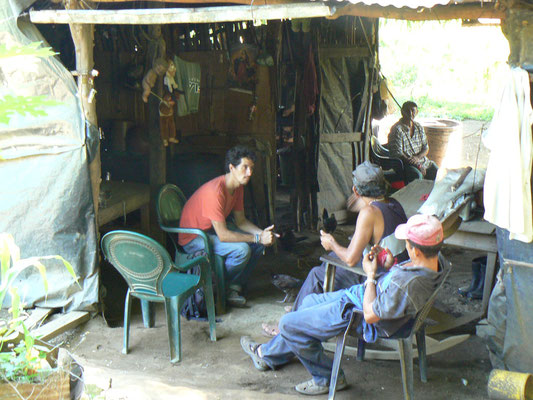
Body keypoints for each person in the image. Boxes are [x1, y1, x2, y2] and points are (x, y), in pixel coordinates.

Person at [242, 214, 448, 396]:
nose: (405, 246)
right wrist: (387, 265)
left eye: (407, 244)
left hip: (356, 313)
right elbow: (395, 292)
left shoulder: (408, 284)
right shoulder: (433, 262)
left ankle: (326, 377)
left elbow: (370, 316)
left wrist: (370, 275)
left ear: (417, 251)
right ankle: (270, 354)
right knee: (307, 303)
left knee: (288, 323)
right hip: (360, 298)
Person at [262, 161, 407, 337]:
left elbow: (351, 259)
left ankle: (290, 325)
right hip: (394, 273)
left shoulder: (369, 213)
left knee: (317, 273)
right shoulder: (394, 203)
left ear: (356, 191)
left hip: (377, 278)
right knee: (331, 257)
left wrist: (332, 243)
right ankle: (302, 307)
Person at [178, 145, 278, 307]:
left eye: (251, 168)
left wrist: (263, 234)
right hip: (193, 237)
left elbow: (241, 221)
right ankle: (218, 288)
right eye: (245, 167)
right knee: (242, 250)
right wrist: (258, 237)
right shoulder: (215, 191)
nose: (249, 173)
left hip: (210, 230)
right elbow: (223, 235)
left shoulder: (237, 188)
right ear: (232, 168)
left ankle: (233, 287)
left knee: (257, 246)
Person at [388, 101, 438, 182]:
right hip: (405, 164)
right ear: (402, 112)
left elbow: (426, 148)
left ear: (417, 112)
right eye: (407, 111)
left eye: (413, 111)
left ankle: (430, 194)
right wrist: (417, 165)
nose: (410, 113)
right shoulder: (397, 130)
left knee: (437, 172)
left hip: (422, 161)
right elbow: (398, 154)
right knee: (417, 176)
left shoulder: (419, 127)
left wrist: (418, 158)